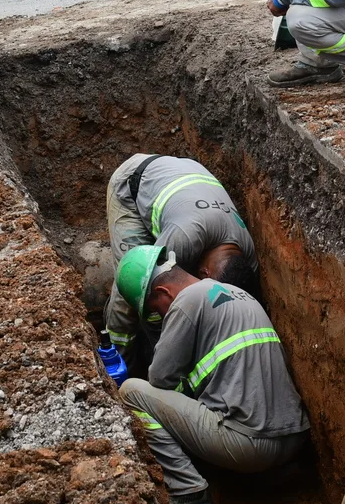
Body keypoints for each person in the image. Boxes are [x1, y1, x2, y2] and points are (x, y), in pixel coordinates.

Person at [114, 244, 310, 504]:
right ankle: (269, 475)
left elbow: (159, 379)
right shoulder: (240, 294)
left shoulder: (186, 301)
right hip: (294, 438)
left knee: (132, 391)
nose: (160, 319)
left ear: (163, 293)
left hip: (249, 446)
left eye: (157, 311)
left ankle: (189, 494)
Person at [103, 153, 258, 362]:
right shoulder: (182, 239)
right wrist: (166, 354)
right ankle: (116, 361)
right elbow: (147, 292)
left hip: (183, 178)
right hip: (132, 184)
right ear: (204, 273)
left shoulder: (250, 261)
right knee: (130, 287)